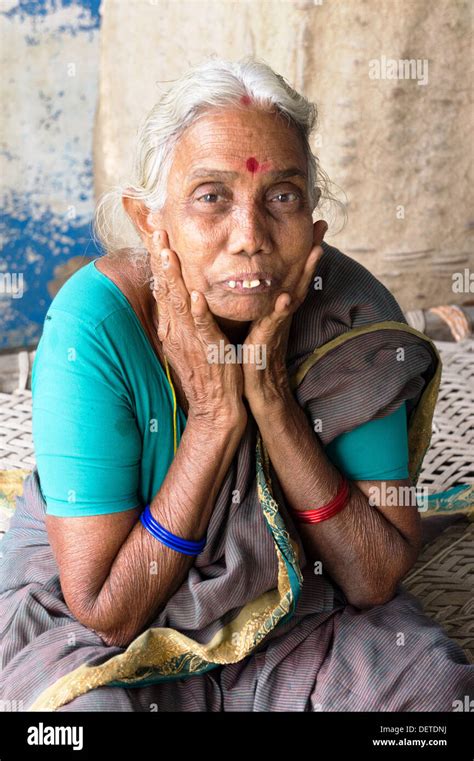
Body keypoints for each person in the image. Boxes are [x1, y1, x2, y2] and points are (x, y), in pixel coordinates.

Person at [1, 56, 472, 712]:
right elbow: (107, 610)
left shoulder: (352, 320)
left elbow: (372, 577)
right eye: (211, 197)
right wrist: (217, 420)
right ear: (151, 223)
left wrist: (272, 401)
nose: (249, 238)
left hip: (298, 607)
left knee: (431, 691)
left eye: (280, 196)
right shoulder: (94, 326)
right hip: (104, 626)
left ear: (314, 228)